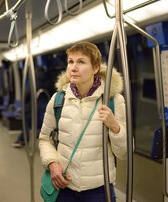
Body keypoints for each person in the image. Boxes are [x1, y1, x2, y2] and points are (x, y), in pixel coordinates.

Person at [38, 41, 127, 201]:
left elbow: (124, 152)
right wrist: (52, 164)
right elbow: (45, 138)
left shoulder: (113, 100)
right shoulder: (58, 100)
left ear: (95, 68)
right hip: (63, 186)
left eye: (81, 62)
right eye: (70, 61)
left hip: (99, 190)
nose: (73, 67)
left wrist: (114, 126)